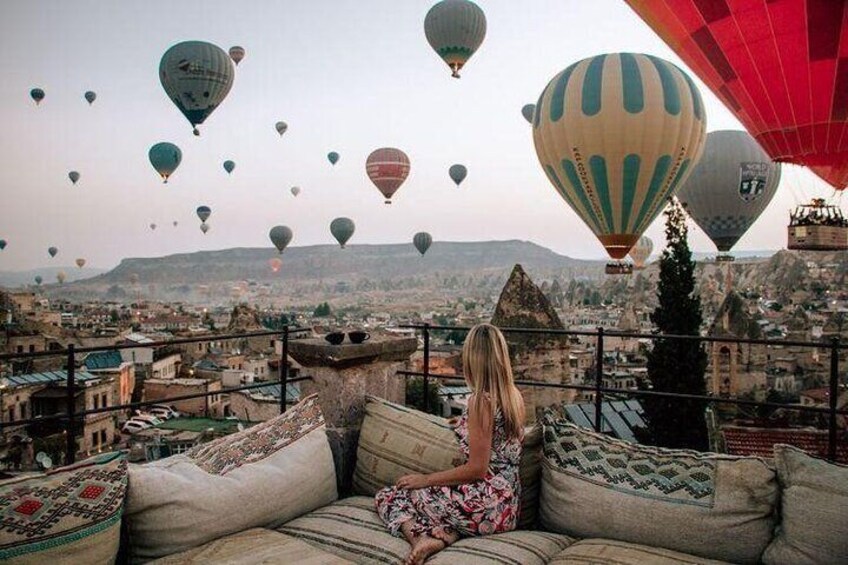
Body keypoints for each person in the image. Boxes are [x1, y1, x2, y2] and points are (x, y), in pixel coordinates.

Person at [375, 323, 525, 565]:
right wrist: (465, 424)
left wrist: (425, 479)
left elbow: (477, 469)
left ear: (473, 359)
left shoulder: (480, 401)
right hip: (508, 508)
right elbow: (497, 440)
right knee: (439, 506)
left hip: (485, 503)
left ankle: (420, 539)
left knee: (392, 496)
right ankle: (446, 535)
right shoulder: (514, 396)